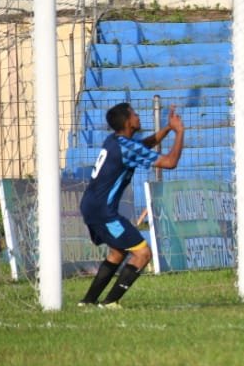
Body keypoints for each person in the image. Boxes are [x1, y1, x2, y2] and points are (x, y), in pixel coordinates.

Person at [78, 102, 185, 307]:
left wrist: (167, 129)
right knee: (143, 253)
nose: (138, 116)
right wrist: (179, 133)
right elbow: (170, 162)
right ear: (128, 122)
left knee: (118, 252)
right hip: (103, 212)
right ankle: (110, 303)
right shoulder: (126, 147)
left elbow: (142, 147)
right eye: (135, 114)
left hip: (91, 206)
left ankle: (88, 301)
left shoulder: (115, 141)